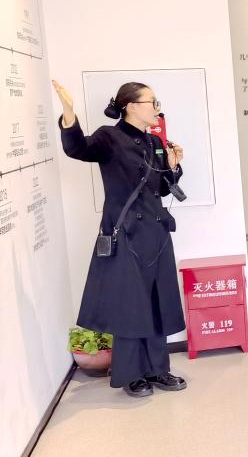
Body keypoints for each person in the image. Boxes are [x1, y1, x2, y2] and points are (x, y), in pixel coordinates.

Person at [53, 80, 188, 398]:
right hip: (126, 233)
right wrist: (69, 113)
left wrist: (173, 166)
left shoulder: (155, 142)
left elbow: (163, 188)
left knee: (156, 301)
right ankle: (132, 375)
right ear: (131, 107)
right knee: (130, 305)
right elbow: (77, 149)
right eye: (152, 102)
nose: (157, 109)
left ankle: (158, 369)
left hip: (156, 233)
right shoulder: (109, 137)